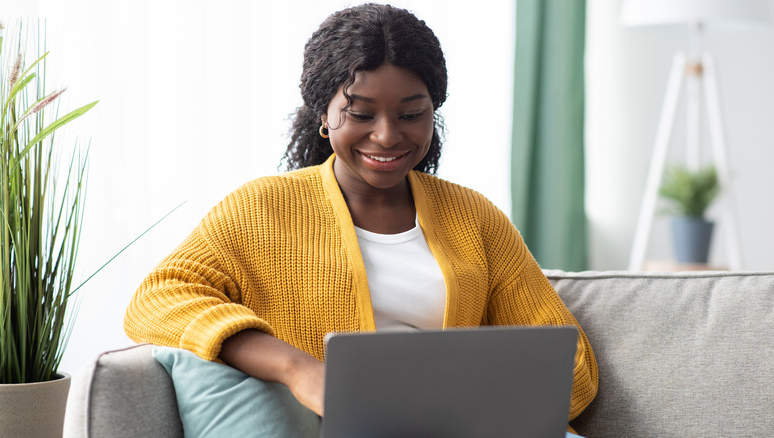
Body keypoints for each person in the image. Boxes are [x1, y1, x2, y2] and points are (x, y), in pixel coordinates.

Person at [124, 2, 598, 433]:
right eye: (361, 113)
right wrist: (298, 369)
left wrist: (474, 400)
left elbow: (573, 368)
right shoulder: (260, 208)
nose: (388, 136)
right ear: (323, 115)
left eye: (412, 114)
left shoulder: (474, 217)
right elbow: (158, 298)